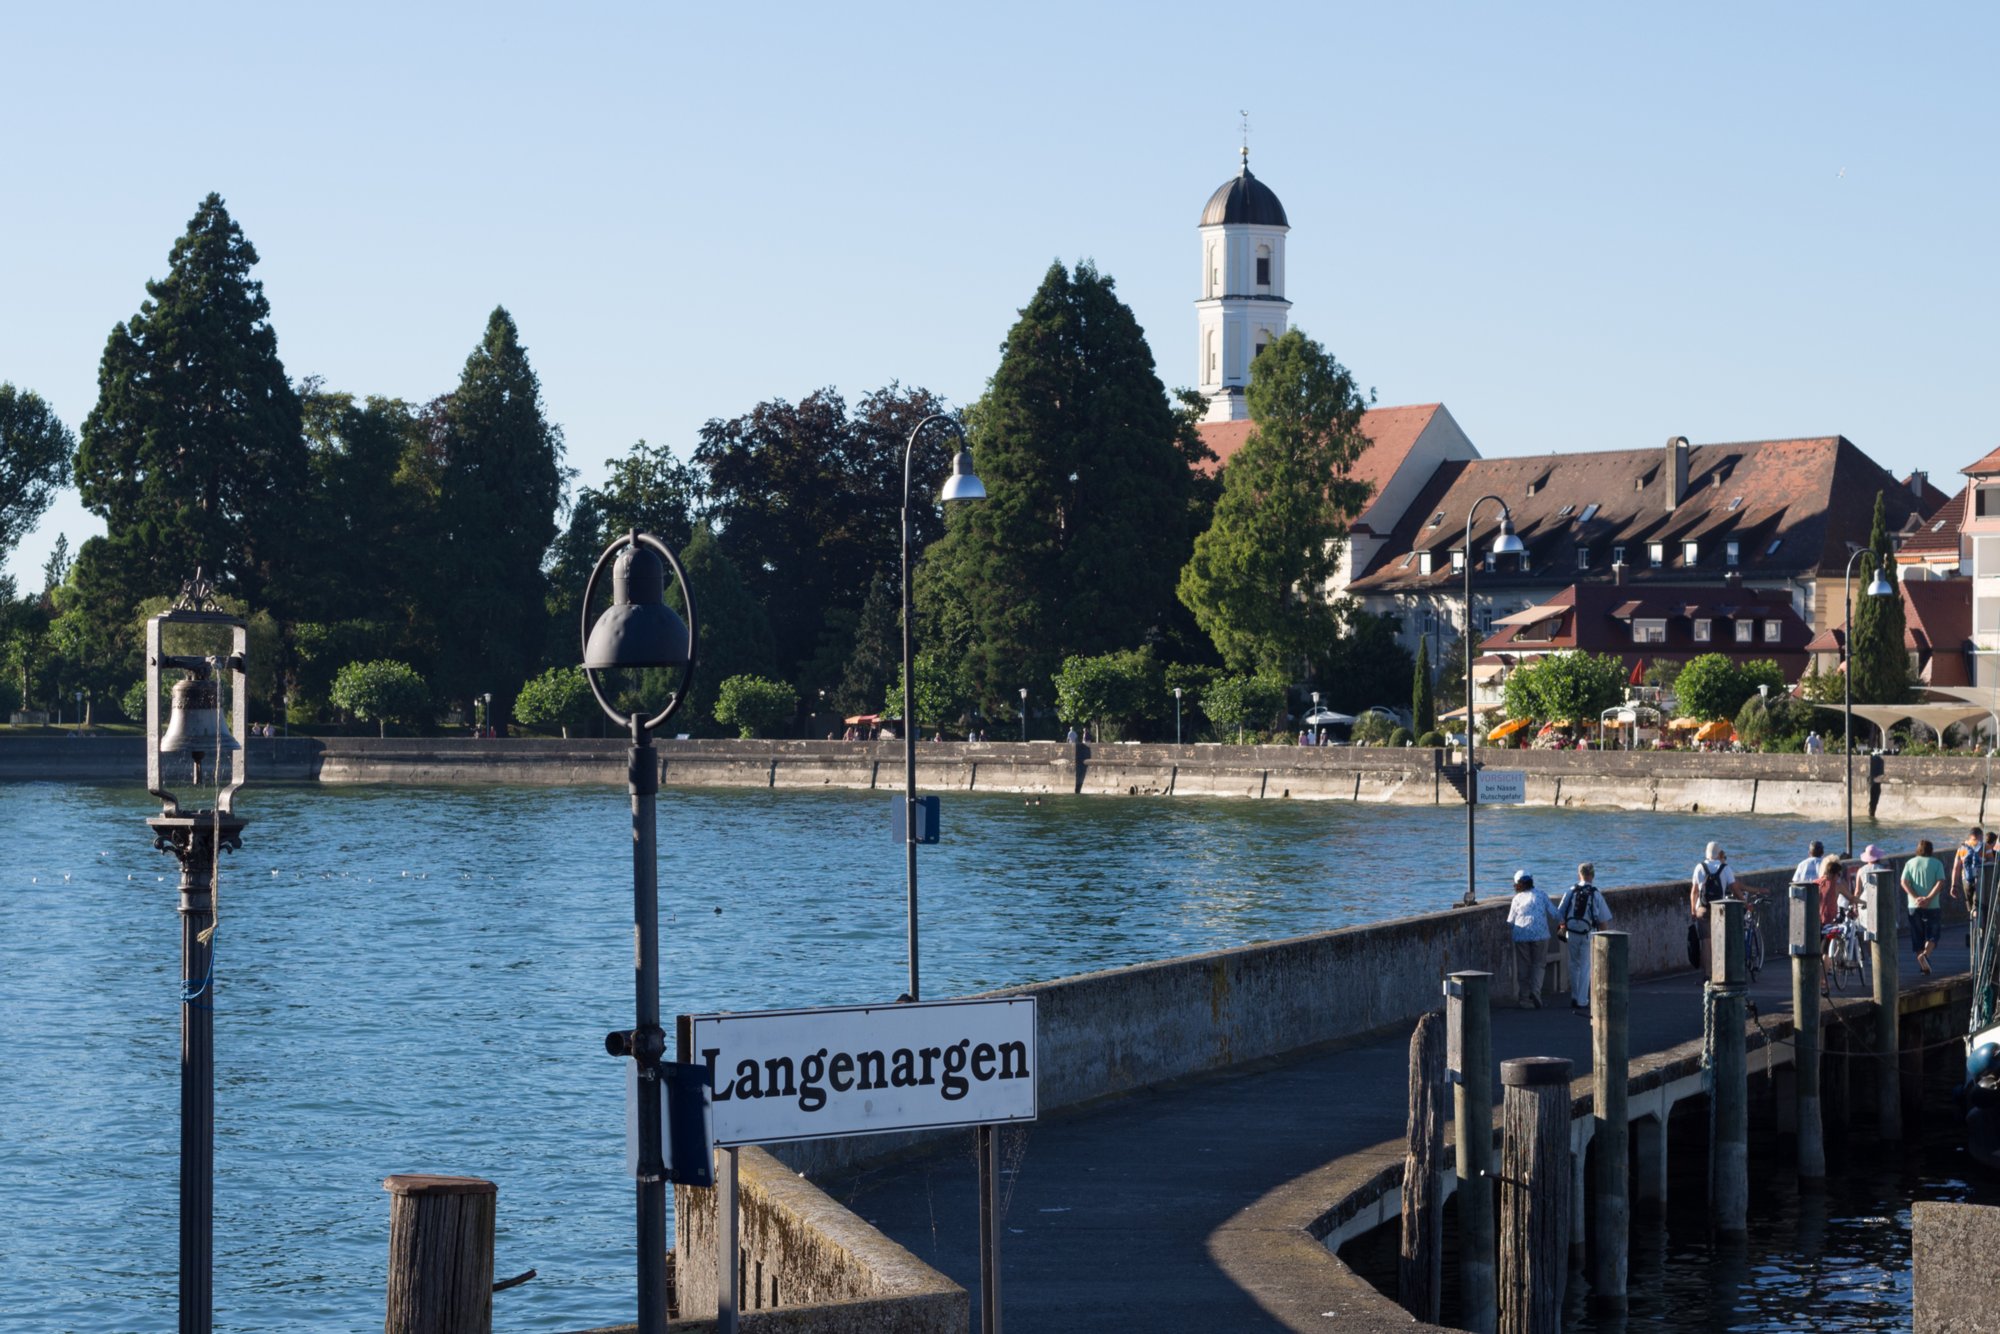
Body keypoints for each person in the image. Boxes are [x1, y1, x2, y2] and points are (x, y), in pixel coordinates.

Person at [1556, 862, 1613, 1015]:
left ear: (1579, 874)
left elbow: (1559, 913)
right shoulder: (1595, 893)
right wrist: (1606, 939)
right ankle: (1582, 1000)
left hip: (1572, 932)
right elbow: (1603, 920)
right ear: (1592, 875)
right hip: (1588, 933)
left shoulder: (1571, 891)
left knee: (1574, 964)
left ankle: (1574, 996)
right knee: (1586, 966)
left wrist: (1563, 926)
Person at [1506, 870, 1560, 1008]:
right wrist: (1564, 923)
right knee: (1539, 964)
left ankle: (1524, 999)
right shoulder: (1541, 894)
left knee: (1523, 966)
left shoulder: (1517, 899)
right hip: (1541, 935)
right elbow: (1555, 913)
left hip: (1521, 936)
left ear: (1518, 884)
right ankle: (1536, 992)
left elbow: (1510, 921)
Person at [1689, 841, 1738, 978]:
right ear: (1719, 853)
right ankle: (1719, 974)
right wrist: (1744, 902)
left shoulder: (1699, 867)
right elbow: (1734, 888)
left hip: (1702, 908)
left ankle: (1707, 975)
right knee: (1719, 941)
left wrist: (1693, 910)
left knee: (1706, 942)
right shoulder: (1725, 868)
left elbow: (1694, 892)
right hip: (1720, 909)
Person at [1902, 838, 1946, 975]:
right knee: (1933, 935)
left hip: (1913, 906)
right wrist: (1928, 898)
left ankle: (1924, 968)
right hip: (1932, 905)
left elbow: (1904, 882)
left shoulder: (1910, 863)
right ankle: (1925, 956)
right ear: (1931, 850)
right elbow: (1940, 882)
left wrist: (1916, 897)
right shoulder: (1937, 863)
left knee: (1917, 935)